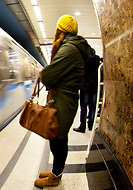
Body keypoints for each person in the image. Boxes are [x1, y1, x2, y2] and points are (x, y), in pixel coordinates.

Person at [34, 15, 91, 188]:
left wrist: (46, 75)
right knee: (57, 136)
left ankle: (56, 176)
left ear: (61, 31)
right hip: (65, 98)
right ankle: (56, 171)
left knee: (57, 138)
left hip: (64, 100)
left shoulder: (69, 49)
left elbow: (47, 75)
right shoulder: (72, 47)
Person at [73, 48, 101, 133]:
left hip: (85, 87)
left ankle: (82, 127)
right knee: (92, 107)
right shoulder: (97, 60)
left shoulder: (84, 60)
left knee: (84, 108)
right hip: (94, 87)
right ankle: (91, 125)